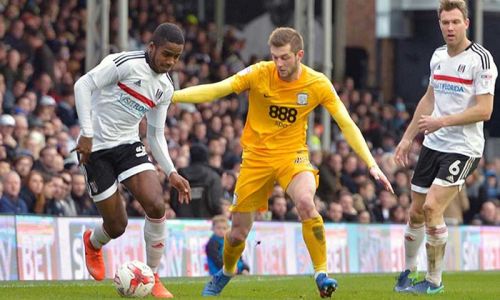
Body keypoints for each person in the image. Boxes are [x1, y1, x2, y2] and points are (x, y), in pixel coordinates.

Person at [173, 27, 393, 298]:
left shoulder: (317, 83)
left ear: (299, 55)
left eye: (285, 57)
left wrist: (371, 163)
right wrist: (174, 96)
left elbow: (346, 123)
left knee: (305, 203)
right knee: (237, 235)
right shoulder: (259, 73)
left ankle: (321, 274)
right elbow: (219, 89)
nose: (279, 63)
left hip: (293, 156)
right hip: (256, 159)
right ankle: (228, 271)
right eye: (275, 57)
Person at [73, 23, 191, 299]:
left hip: (128, 146)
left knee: (156, 203)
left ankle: (151, 275)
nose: (171, 61)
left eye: (176, 57)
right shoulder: (124, 63)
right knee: (117, 225)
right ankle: (93, 243)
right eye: (167, 54)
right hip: (96, 149)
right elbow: (83, 84)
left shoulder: (165, 87)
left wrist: (171, 171)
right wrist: (86, 133)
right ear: (152, 48)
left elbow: (155, 133)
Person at [393, 0, 497, 295]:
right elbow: (428, 99)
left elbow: (485, 110)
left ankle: (434, 281)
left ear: (466, 23)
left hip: (463, 147)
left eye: (455, 22)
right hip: (433, 144)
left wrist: (444, 122)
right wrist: (407, 137)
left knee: (431, 207)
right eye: (444, 22)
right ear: (439, 24)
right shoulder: (438, 56)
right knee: (415, 212)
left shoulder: (482, 60)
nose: (449, 28)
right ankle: (408, 271)